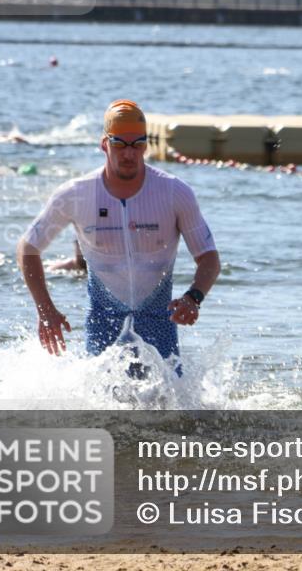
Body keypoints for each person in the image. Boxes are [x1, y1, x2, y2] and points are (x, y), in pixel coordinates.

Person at [17, 99, 220, 371]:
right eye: (119, 144)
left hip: (159, 324)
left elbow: (209, 258)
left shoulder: (174, 193)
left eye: (137, 144)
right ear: (104, 144)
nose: (129, 153)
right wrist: (45, 310)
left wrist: (193, 297)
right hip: (103, 324)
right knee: (100, 409)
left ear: (146, 146)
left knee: (168, 410)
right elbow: (28, 248)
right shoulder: (76, 194)